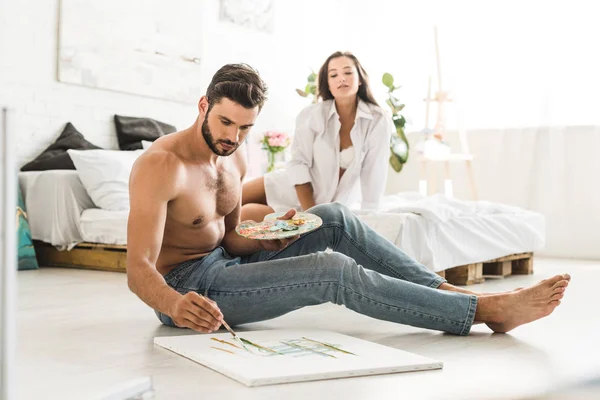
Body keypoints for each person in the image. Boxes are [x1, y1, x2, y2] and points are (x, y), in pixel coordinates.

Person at [126, 63, 569, 336]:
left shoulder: (235, 156)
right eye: (225, 123)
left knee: (332, 217)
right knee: (333, 272)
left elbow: (231, 236)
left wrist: (270, 237)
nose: (233, 137)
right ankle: (482, 310)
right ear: (203, 104)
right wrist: (173, 305)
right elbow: (138, 268)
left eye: (245, 128)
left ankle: (445, 292)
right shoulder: (161, 165)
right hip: (190, 289)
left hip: (226, 265)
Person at [241, 51, 394, 223]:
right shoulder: (311, 115)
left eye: (348, 72)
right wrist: (311, 217)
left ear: (360, 79)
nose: (341, 78)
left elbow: (374, 176)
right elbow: (299, 164)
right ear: (327, 84)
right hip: (289, 189)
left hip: (311, 210)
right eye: (333, 75)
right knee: (224, 204)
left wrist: (371, 221)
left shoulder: (378, 120)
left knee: (244, 215)